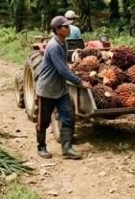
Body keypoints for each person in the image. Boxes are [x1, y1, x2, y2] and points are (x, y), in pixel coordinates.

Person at [35, 15, 91, 160]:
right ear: (58, 29)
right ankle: (41, 147)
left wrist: (70, 65)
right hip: (47, 90)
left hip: (61, 89)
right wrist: (80, 82)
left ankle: (67, 149)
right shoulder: (53, 46)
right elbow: (62, 70)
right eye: (66, 26)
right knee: (43, 121)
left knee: (67, 117)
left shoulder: (64, 43)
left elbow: (63, 63)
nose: (69, 28)